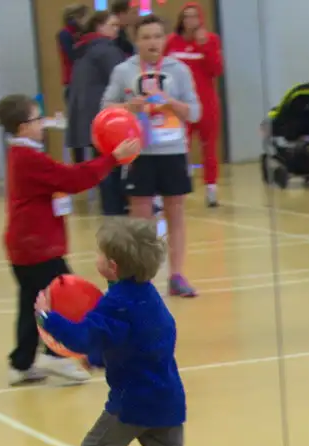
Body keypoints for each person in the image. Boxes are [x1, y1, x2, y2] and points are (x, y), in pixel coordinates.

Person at [35, 219, 280, 446]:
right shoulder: (146, 297)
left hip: (134, 403)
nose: (96, 256)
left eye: (99, 252)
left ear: (112, 265)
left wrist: (47, 317)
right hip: (166, 396)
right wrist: (97, 358)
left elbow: (80, 335)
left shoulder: (116, 303)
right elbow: (133, 343)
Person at [0, 93, 139, 387]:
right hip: (37, 246)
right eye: (37, 119)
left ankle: (21, 363)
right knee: (63, 298)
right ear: (23, 127)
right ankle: (56, 355)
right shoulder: (28, 158)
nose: (42, 124)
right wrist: (112, 158)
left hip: (24, 244)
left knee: (30, 301)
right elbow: (73, 179)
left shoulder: (22, 154)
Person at [103, 14, 200, 297]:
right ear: (136, 41)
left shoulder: (179, 70)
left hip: (172, 151)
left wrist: (169, 101)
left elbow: (195, 112)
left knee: (176, 214)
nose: (152, 42)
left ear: (164, 39)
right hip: (139, 151)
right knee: (141, 217)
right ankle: (139, 277)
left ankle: (177, 275)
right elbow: (105, 109)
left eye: (157, 36)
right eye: (146, 37)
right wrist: (129, 108)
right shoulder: (123, 71)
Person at [67, 10, 129, 217]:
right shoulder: (106, 50)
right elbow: (122, 80)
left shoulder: (83, 49)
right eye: (112, 25)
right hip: (107, 116)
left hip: (88, 114)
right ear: (99, 27)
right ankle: (116, 205)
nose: (117, 29)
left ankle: (109, 205)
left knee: (103, 161)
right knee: (114, 161)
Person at [165, 3, 225, 208]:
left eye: (194, 17)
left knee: (209, 147)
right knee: (181, 146)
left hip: (206, 102)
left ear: (200, 19)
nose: (190, 21)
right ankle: (180, 186)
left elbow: (216, 69)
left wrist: (204, 46)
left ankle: (211, 190)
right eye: (186, 17)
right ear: (181, 20)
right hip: (181, 104)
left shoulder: (211, 40)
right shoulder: (172, 42)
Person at [56, 4, 91, 104]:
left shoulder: (84, 33)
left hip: (84, 78)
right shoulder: (65, 34)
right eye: (84, 16)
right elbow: (72, 55)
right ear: (75, 18)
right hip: (72, 79)